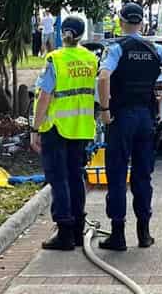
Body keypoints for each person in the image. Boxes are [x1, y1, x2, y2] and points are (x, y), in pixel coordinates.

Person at [98, 3, 162, 251]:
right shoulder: (155, 48)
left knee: (116, 175)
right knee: (142, 176)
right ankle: (144, 234)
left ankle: (118, 235)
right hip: (147, 118)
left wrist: (105, 110)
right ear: (142, 23)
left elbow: (104, 77)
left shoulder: (116, 48)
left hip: (121, 118)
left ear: (121, 21)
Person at [31, 16, 98, 251]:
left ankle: (65, 233)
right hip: (81, 128)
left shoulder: (54, 59)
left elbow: (44, 96)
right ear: (82, 34)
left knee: (59, 180)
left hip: (56, 128)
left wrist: (35, 128)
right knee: (75, 178)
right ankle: (78, 230)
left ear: (62, 33)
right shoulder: (91, 59)